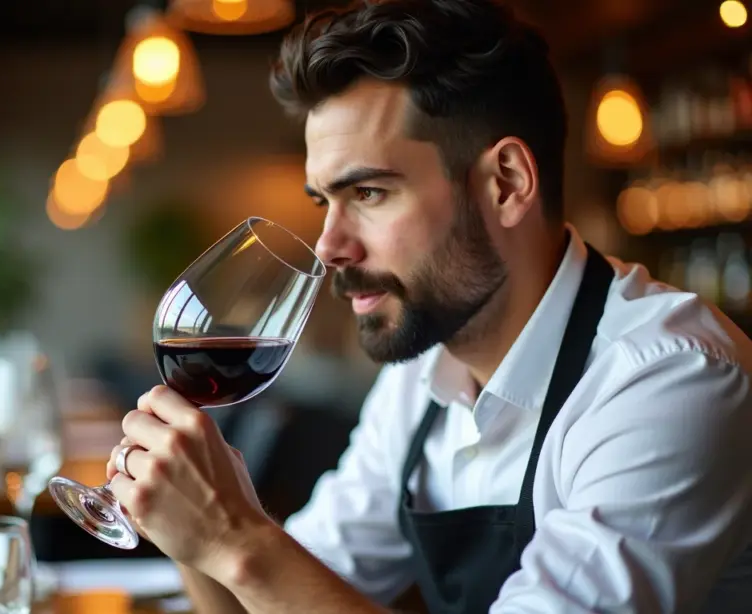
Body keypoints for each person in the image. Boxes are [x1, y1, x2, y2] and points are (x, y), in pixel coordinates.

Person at [104, 0, 752, 612]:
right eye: (322, 201)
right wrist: (192, 535)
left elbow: (257, 568)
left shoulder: (670, 378)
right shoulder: (420, 380)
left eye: (369, 193)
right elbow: (274, 598)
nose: (328, 245)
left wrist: (233, 539)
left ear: (506, 184)